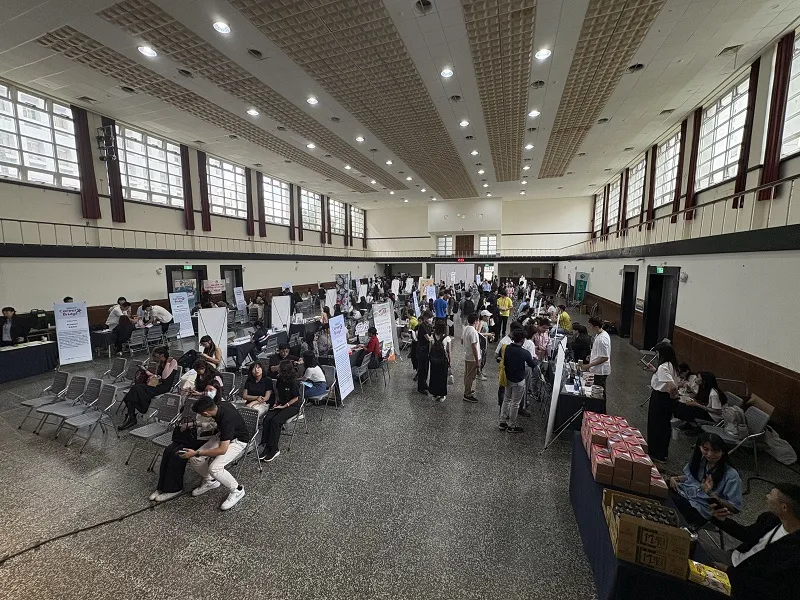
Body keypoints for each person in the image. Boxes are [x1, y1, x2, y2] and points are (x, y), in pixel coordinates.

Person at [711, 483, 800, 600]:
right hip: (735, 559)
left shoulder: (794, 552)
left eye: (770, 495)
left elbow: (768, 586)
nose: (767, 497)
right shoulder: (770, 519)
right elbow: (747, 534)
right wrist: (721, 520)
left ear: (784, 507)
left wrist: (729, 571)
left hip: (743, 583)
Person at [182, 395, 248, 511]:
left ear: (205, 413)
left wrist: (196, 452)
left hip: (239, 441)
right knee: (195, 459)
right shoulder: (219, 405)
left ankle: (237, 490)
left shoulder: (226, 420)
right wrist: (195, 424)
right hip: (224, 436)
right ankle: (211, 481)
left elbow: (222, 450)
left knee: (215, 468)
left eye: (201, 414)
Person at [667, 433, 743, 527]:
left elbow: (735, 507)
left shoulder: (731, 475)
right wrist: (675, 478)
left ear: (723, 452)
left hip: (700, 508)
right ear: (699, 447)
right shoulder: (701, 461)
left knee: (669, 501)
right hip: (685, 494)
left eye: (715, 451)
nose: (710, 454)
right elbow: (692, 478)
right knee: (662, 487)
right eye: (706, 449)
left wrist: (711, 494)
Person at [119, 346, 178, 430]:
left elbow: (165, 376)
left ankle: (132, 416)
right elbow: (157, 376)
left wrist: (167, 363)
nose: (154, 358)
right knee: (134, 390)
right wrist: (145, 371)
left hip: (164, 387)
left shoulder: (172, 362)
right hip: (157, 384)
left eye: (155, 356)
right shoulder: (160, 362)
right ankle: (131, 415)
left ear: (161, 355)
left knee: (136, 389)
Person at [258, 360, 302, 462]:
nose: (278, 368)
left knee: (276, 421)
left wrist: (285, 406)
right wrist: (276, 403)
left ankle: (274, 448)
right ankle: (267, 446)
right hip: (281, 403)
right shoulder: (279, 379)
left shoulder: (293, 382)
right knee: (267, 419)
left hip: (292, 406)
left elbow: (295, 398)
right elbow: (278, 392)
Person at [645, 342, 680, 463]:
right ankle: (662, 453)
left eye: (657, 353)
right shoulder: (672, 365)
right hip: (665, 399)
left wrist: (672, 396)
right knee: (664, 425)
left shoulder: (663, 367)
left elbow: (672, 387)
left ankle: (656, 453)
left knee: (656, 425)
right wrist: (655, 371)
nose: (657, 356)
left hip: (660, 398)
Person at [499, 329, 538, 433]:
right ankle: (511, 425)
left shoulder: (506, 348)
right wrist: (535, 360)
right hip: (519, 381)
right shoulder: (525, 353)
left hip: (507, 378)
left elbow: (499, 357)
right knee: (515, 403)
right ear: (523, 340)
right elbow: (532, 365)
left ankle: (502, 422)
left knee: (506, 400)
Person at [579, 316, 611, 404]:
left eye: (590, 325)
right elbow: (599, 352)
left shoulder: (602, 339)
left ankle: (601, 409)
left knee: (599, 394)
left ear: (596, 327)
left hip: (600, 371)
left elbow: (604, 357)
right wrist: (592, 356)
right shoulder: (599, 334)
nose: (589, 327)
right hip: (597, 369)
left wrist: (589, 365)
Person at [428, 321, 451, 402]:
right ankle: (442, 395)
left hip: (434, 360)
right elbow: (449, 351)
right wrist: (450, 361)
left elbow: (430, 349)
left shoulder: (432, 336)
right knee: (442, 377)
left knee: (434, 376)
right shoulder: (447, 338)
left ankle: (434, 394)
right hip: (443, 361)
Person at [462, 312, 481, 403]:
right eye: (478, 320)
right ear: (475, 321)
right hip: (472, 358)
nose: (478, 322)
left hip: (467, 355)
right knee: (470, 376)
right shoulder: (473, 332)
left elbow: (462, 341)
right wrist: (477, 361)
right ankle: (467, 394)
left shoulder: (466, 328)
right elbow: (474, 347)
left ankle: (467, 389)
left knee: (467, 374)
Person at [415, 311, 433, 395]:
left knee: (426, 368)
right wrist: (432, 338)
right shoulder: (422, 326)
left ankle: (424, 383)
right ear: (425, 317)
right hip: (421, 349)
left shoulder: (429, 325)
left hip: (426, 350)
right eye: (429, 318)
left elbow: (431, 334)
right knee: (422, 369)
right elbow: (428, 338)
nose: (431, 319)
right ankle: (420, 387)